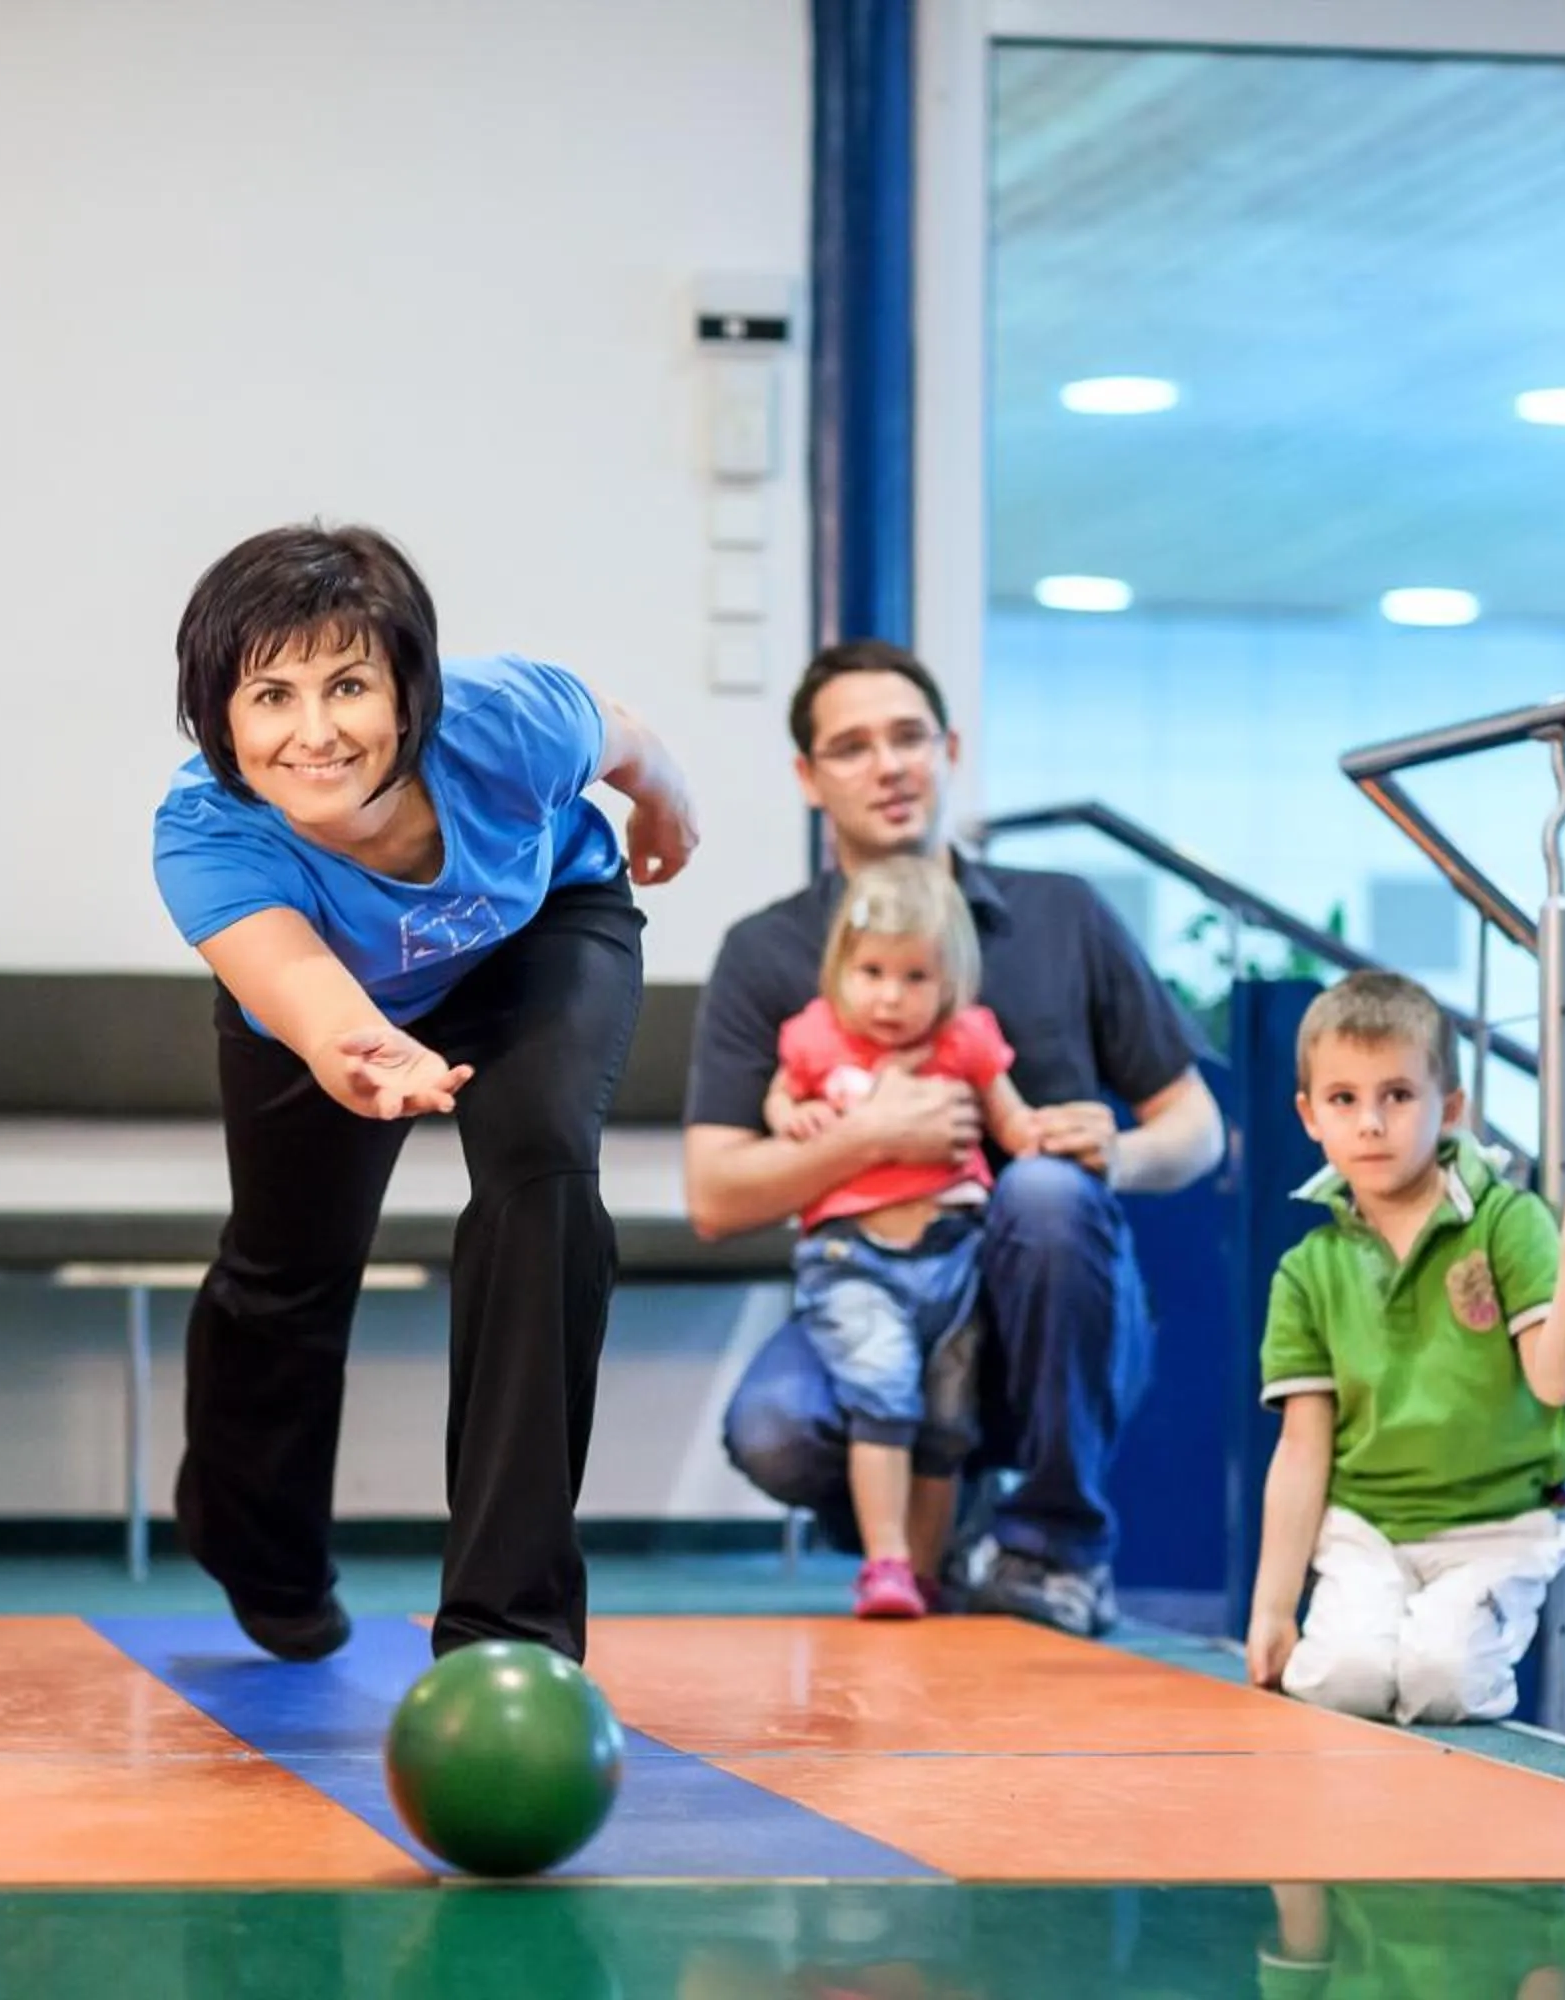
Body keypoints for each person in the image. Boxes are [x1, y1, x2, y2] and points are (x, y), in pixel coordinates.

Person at [150, 522, 698, 1665]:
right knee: (285, 1265)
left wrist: (664, 809)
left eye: (349, 683)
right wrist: (361, 1047)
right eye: (271, 695)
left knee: (543, 1176)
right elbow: (303, 989)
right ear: (221, 719)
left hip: (537, 934)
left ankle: (508, 1622)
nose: (314, 731)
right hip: (341, 1000)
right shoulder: (207, 834)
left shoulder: (512, 719)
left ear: (410, 692)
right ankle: (260, 1546)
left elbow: (634, 743)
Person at [684, 638, 1227, 1637]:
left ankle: (1054, 1551)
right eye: (851, 746)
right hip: (871, 1281)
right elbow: (716, 1193)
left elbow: (1197, 1129)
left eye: (908, 736)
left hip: (1049, 1309)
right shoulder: (765, 953)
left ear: (950, 747)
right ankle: (935, 1524)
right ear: (808, 776)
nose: (888, 764)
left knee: (1050, 1192)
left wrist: (1119, 1148)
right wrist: (868, 1133)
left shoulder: (1063, 914)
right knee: (771, 1425)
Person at [1243, 970, 1565, 1723]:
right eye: (1345, 1099)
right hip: (1365, 1528)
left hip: (1497, 1526)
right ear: (1310, 1115)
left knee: (1440, 1678)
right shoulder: (1308, 1268)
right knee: (1344, 1680)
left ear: (1451, 1109)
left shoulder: (1509, 1222)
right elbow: (1301, 1450)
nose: (1371, 1122)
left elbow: (1555, 1382)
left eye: (1398, 1095)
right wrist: (1272, 1609)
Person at [765, 855, 1039, 1619]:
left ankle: (922, 1571)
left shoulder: (967, 1039)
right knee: (882, 1394)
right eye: (873, 972)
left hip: (953, 1254)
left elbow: (1010, 1119)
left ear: (950, 979)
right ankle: (883, 1560)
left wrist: (1045, 1137)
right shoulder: (819, 1038)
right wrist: (794, 1117)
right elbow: (782, 1095)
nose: (890, 996)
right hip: (854, 1258)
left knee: (948, 1424)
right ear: (840, 969)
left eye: (916, 977)